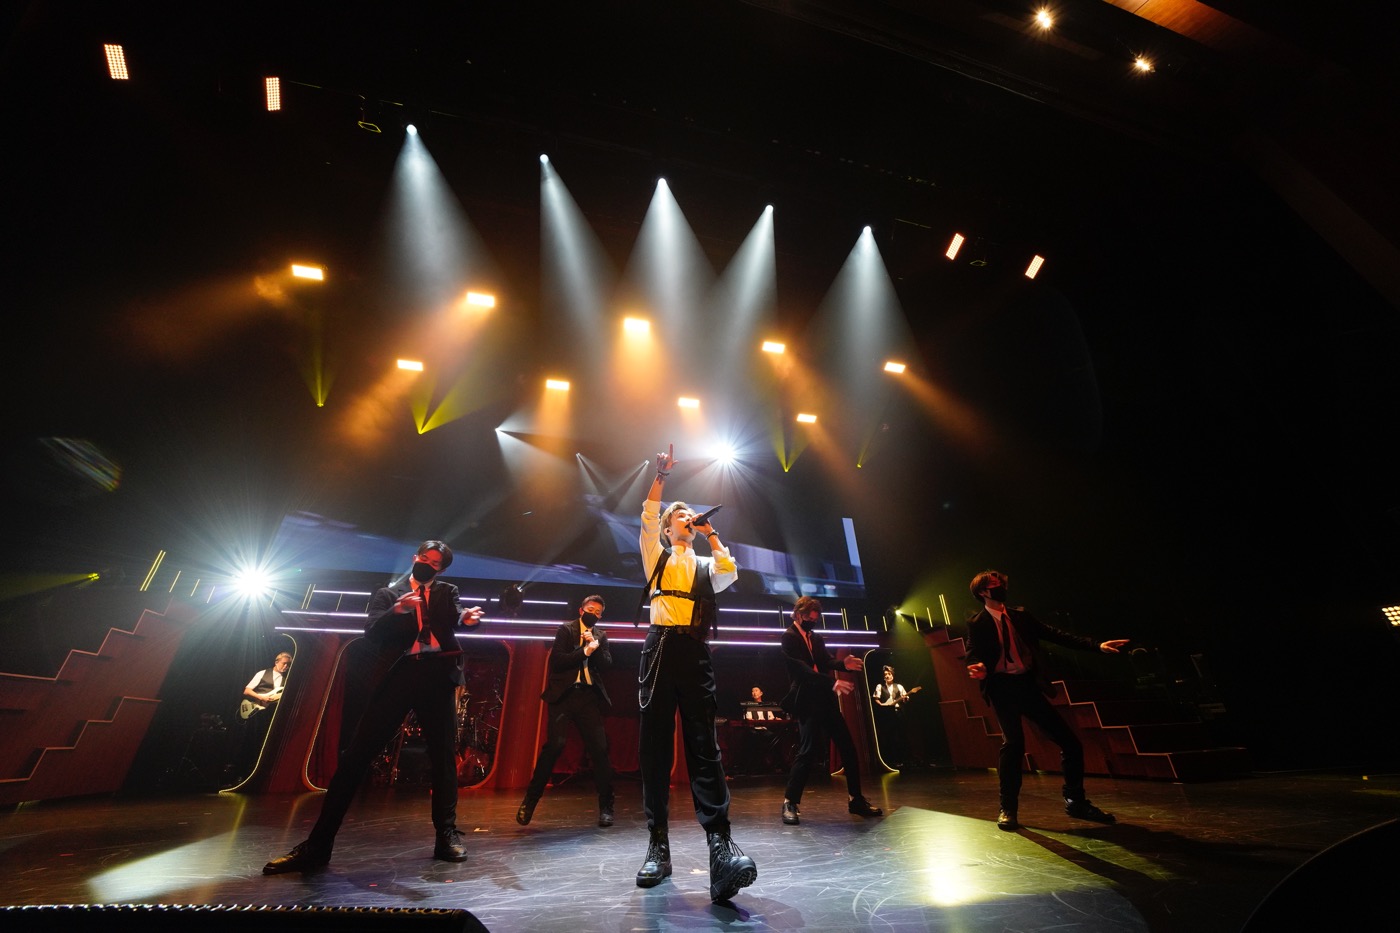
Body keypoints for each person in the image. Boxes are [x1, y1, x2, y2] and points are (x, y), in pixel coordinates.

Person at [263, 541, 484, 873]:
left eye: (435, 563)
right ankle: (318, 845)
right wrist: (397, 611)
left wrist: (468, 620)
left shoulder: (446, 592)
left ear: (441, 570)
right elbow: (372, 633)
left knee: (443, 759)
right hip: (398, 675)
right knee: (355, 757)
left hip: (437, 677)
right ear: (415, 557)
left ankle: (446, 836)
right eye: (423, 558)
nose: (426, 564)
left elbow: (457, 617)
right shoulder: (387, 594)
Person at [634, 444, 757, 903]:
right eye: (679, 516)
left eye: (689, 514)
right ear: (668, 529)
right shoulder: (656, 554)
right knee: (655, 749)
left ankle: (721, 850)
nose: (686, 518)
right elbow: (648, 516)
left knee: (705, 747)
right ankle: (657, 845)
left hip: (694, 652)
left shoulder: (706, 562)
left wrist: (711, 534)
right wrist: (661, 476)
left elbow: (729, 572)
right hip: (659, 648)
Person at [964, 569, 1129, 831]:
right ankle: (1008, 808)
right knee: (1014, 744)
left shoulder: (1020, 615)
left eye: (1002, 583)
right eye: (996, 584)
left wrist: (1096, 645)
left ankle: (1075, 801)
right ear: (983, 592)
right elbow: (972, 652)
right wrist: (977, 666)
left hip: (1027, 685)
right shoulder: (978, 623)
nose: (1002, 587)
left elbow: (1055, 634)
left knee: (1071, 743)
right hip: (1002, 688)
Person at [778, 596, 883, 825]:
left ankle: (856, 800)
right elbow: (802, 670)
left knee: (848, 747)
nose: (813, 622)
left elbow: (825, 661)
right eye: (809, 618)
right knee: (807, 751)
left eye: (815, 619)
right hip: (807, 700)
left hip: (825, 699)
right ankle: (790, 802)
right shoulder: (789, 637)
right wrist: (832, 682)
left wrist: (842, 664)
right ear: (799, 615)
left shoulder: (815, 638)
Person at [516, 594, 616, 828]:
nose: (594, 614)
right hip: (563, 696)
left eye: (598, 613)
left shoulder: (601, 635)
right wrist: (585, 652)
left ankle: (606, 807)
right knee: (555, 745)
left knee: (600, 750)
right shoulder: (566, 630)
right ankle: (530, 801)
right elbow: (558, 661)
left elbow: (607, 664)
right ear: (581, 610)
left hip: (587, 697)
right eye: (591, 610)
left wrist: (595, 647)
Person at [232, 651, 292, 777]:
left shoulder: (285, 681)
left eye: (288, 665)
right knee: (248, 741)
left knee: (262, 744)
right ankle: (237, 772)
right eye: (284, 663)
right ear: (276, 662)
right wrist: (261, 697)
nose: (286, 666)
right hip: (255, 711)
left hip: (268, 715)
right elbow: (247, 690)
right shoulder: (263, 673)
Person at [871, 665, 909, 768]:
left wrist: (905, 699)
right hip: (887, 714)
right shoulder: (880, 687)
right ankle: (892, 760)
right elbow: (876, 699)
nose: (887, 676)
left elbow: (906, 698)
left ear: (893, 675)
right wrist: (882, 705)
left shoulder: (899, 686)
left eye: (889, 674)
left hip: (898, 713)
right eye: (885, 674)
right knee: (889, 736)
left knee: (901, 735)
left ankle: (904, 759)